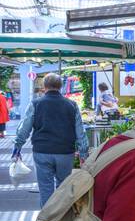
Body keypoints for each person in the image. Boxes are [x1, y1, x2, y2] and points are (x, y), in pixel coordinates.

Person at [12, 73, 89, 207]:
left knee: (45, 188)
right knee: (63, 187)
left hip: (42, 152)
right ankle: (61, 220)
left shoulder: (35, 104)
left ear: (44, 86)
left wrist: (17, 146)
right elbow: (80, 131)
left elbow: (25, 128)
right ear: (61, 86)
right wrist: (83, 153)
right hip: (65, 152)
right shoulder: (72, 105)